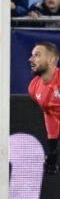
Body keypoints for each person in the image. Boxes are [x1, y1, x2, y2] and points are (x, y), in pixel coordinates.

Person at [28, 42, 60, 175]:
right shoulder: (33, 88)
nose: (30, 59)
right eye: (32, 55)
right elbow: (50, 114)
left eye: (37, 55)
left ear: (51, 60)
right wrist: (53, 150)